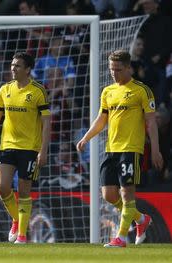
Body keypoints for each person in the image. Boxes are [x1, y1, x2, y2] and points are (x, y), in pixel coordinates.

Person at [76, 50, 163, 248]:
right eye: (111, 69)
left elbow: (151, 122)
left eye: (118, 69)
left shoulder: (142, 90)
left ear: (128, 68)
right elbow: (102, 119)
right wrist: (86, 138)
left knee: (126, 193)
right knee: (108, 195)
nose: (114, 73)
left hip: (131, 148)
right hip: (111, 148)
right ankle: (141, 219)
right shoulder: (108, 91)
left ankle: (121, 237)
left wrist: (156, 150)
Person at [0, 52, 51, 244]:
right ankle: (17, 220)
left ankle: (22, 235)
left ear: (28, 70)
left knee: (24, 191)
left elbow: (46, 122)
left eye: (18, 65)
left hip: (30, 149)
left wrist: (43, 150)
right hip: (8, 146)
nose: (13, 68)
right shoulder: (5, 89)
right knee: (2, 187)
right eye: (12, 65)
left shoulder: (38, 91)